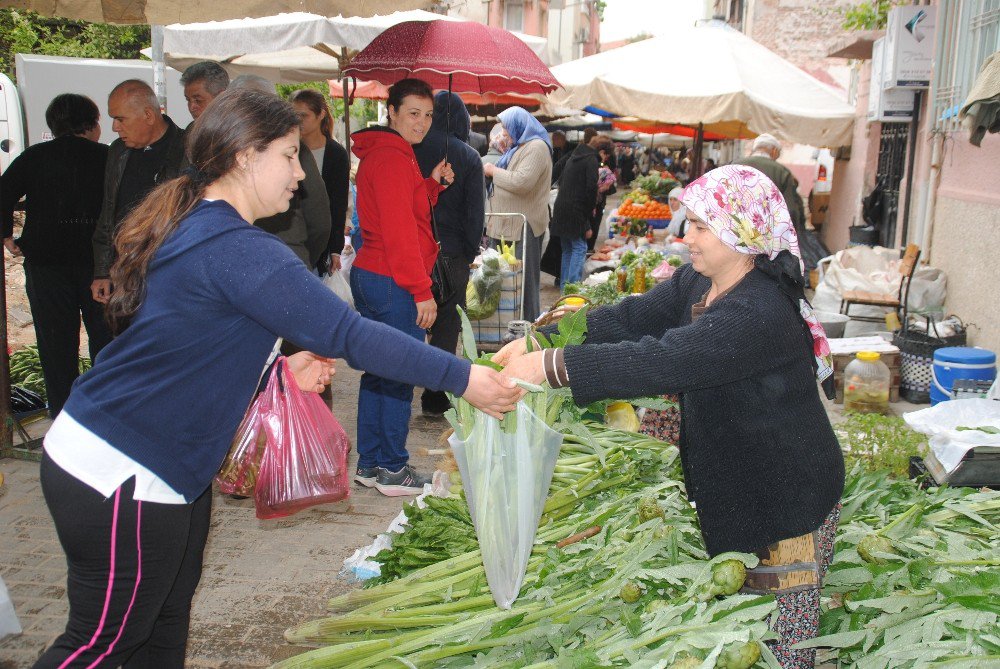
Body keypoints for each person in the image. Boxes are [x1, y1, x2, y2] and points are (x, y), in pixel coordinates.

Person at [31, 87, 518, 669]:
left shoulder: (205, 225)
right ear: (243, 156)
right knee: (102, 645)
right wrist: (464, 377)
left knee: (161, 631)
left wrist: (277, 367)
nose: (300, 175)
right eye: (289, 155)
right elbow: (353, 335)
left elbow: (191, 337)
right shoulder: (237, 247)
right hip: (122, 467)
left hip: (165, 466)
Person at [496, 164, 844, 669]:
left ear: (741, 233)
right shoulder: (699, 282)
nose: (686, 237)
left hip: (786, 498)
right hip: (741, 480)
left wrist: (552, 367)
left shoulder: (760, 311)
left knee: (776, 643)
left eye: (702, 226)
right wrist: (544, 338)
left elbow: (666, 357)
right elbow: (631, 319)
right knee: (739, 622)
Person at [350, 78, 457, 496]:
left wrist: (431, 185)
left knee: (378, 372)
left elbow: (401, 212)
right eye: (413, 113)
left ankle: (372, 463)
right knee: (397, 373)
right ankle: (392, 468)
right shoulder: (393, 157)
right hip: (392, 278)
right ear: (391, 111)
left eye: (428, 115)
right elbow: (399, 233)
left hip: (375, 274)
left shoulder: (389, 153)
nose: (422, 123)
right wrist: (421, 290)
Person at [1, 94, 113, 416]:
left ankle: (64, 416)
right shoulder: (108, 158)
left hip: (47, 263)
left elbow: (3, 192)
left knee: (55, 343)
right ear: (91, 125)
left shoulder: (35, 156)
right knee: (106, 340)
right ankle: (104, 411)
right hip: (100, 267)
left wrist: (7, 234)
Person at [413, 92, 486, 416]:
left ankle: (402, 383)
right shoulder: (469, 156)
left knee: (410, 321)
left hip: (412, 250)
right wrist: (470, 252)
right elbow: (475, 215)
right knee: (445, 326)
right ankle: (435, 395)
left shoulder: (409, 148)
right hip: (452, 254)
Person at [90, 80, 186, 304]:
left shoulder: (187, 149)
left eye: (120, 119)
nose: (115, 128)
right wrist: (102, 272)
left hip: (168, 273)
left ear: (149, 116)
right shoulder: (118, 152)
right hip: (124, 273)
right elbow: (108, 211)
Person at [229, 75, 331, 269]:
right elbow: (320, 220)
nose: (299, 174)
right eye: (287, 157)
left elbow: (320, 219)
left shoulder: (295, 147)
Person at [482, 106, 552, 321]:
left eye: (506, 128)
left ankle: (528, 328)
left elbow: (522, 182)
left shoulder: (537, 147)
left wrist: (493, 171)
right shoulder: (519, 147)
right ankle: (510, 325)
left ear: (519, 125)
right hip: (507, 226)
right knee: (507, 281)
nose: (504, 133)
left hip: (523, 227)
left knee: (525, 283)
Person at [289, 88, 350, 274]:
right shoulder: (286, 148)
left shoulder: (336, 154)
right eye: (294, 116)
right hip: (291, 238)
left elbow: (338, 204)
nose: (298, 121)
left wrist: (335, 249)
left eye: (303, 115)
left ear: (321, 114)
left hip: (320, 245)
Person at [550, 135, 613, 292]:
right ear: (603, 151)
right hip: (575, 210)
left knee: (568, 249)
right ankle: (573, 289)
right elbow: (590, 190)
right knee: (579, 248)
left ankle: (565, 288)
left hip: (561, 207)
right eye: (606, 156)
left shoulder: (575, 156)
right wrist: (587, 222)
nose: (604, 160)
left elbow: (562, 181)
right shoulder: (591, 159)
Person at [735, 133, 805, 234]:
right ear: (774, 151)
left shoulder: (734, 165)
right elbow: (791, 210)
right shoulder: (782, 172)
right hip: (767, 234)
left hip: (735, 231)